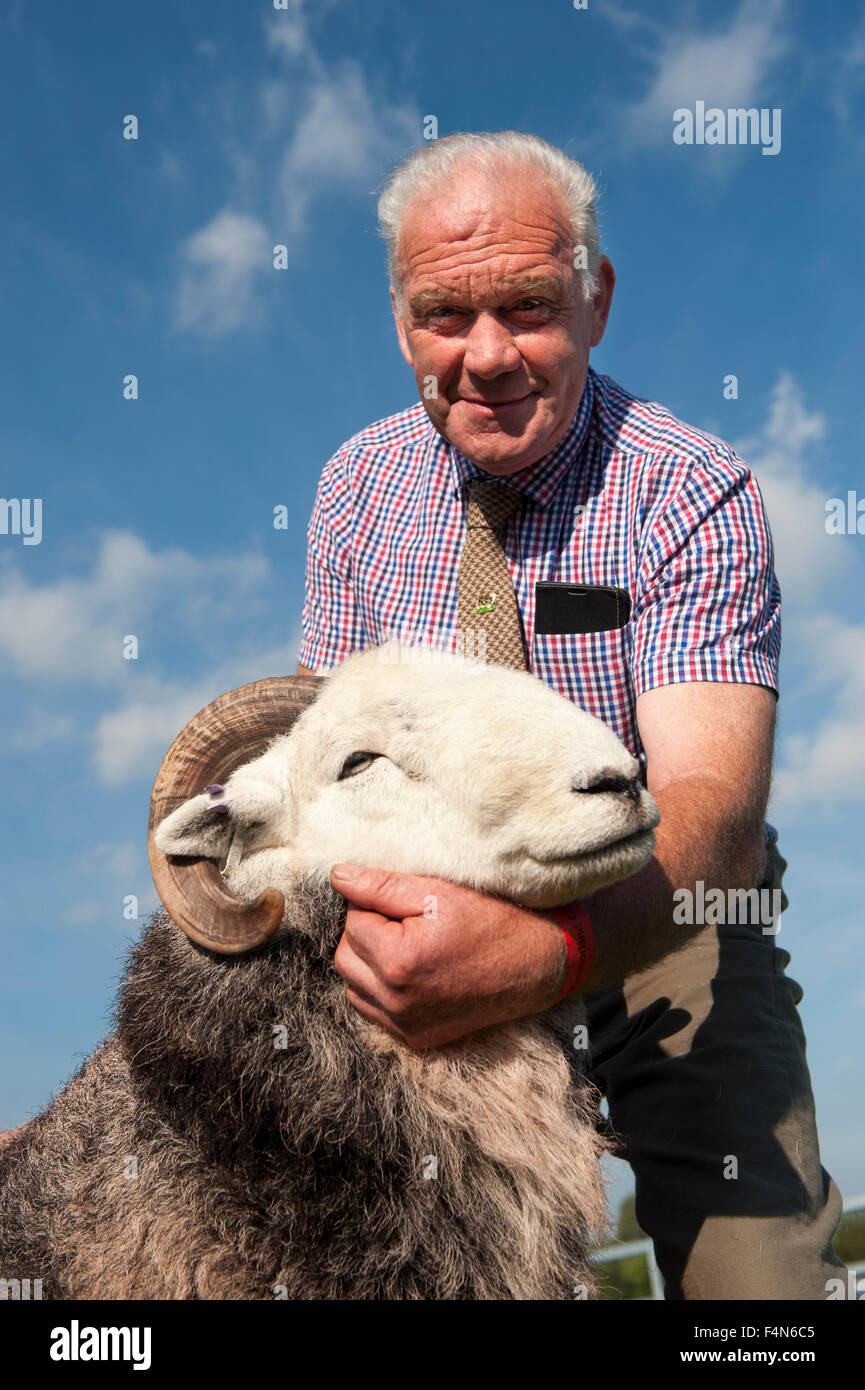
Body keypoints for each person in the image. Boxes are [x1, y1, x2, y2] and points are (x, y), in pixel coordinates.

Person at [296, 132, 845, 1299]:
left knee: (761, 1298)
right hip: (431, 931)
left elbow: (712, 810)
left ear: (596, 300)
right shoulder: (354, 493)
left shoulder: (690, 489)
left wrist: (553, 950)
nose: (486, 356)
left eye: (531, 307)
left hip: (665, 925)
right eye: (444, 315)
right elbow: (325, 759)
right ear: (401, 325)